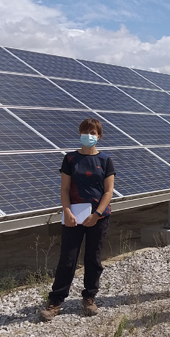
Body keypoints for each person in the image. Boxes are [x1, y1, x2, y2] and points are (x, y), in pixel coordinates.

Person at [39, 118, 115, 322]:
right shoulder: (70, 159)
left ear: (99, 136)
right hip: (73, 216)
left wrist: (96, 214)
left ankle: (89, 297)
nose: (89, 135)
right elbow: (64, 188)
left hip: (98, 216)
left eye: (93, 132)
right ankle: (56, 301)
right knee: (67, 258)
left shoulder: (105, 161)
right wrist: (67, 211)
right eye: (85, 132)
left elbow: (108, 192)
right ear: (80, 134)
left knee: (93, 257)